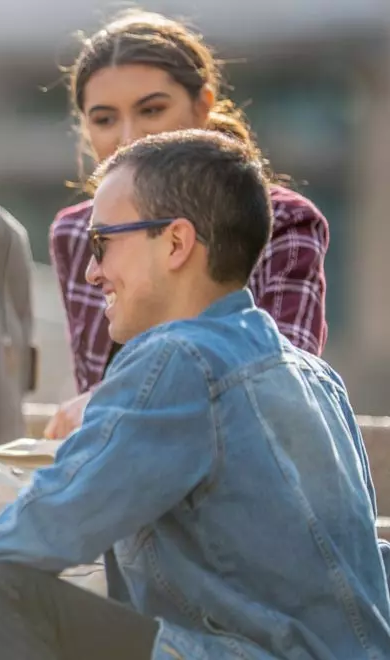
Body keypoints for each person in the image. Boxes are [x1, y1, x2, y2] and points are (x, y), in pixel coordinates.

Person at [0, 129, 390, 660]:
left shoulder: (181, 358)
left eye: (102, 242)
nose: (91, 270)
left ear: (175, 243)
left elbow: (58, 516)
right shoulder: (313, 376)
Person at [44, 9, 329, 440]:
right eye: (104, 119)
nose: (128, 138)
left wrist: (113, 401)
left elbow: (282, 389)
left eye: (152, 110)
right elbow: (94, 384)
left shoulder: (284, 222)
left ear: (203, 107)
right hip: (129, 474)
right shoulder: (75, 233)